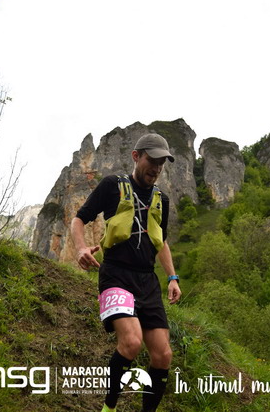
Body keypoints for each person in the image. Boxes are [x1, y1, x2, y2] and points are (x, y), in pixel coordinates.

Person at [70, 133, 182, 412]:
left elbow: (161, 241)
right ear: (136, 156)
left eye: (161, 163)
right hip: (116, 275)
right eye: (152, 160)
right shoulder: (112, 186)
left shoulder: (162, 199)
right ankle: (108, 408)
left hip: (147, 281)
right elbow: (79, 219)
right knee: (131, 342)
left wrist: (172, 277)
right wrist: (81, 248)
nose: (156, 168)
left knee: (163, 355)